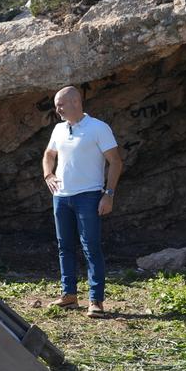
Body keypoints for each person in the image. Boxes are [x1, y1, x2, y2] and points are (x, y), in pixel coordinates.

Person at [41, 86, 123, 318]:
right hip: (61, 197)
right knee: (64, 246)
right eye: (56, 106)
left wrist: (109, 194)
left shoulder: (98, 128)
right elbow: (49, 154)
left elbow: (116, 162)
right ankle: (69, 295)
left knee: (91, 247)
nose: (57, 110)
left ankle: (96, 300)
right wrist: (48, 175)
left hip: (88, 196)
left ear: (76, 102)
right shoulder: (59, 129)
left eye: (60, 105)